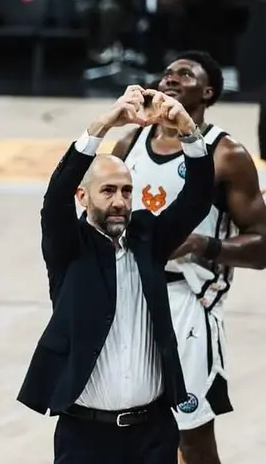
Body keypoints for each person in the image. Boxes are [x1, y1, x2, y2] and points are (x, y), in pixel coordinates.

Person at [17, 85, 216, 464]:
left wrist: (189, 132)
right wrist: (103, 125)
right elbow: (55, 196)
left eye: (127, 191)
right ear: (83, 196)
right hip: (84, 436)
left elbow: (197, 198)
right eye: (108, 191)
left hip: (153, 432)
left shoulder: (149, 237)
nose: (120, 202)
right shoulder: (68, 246)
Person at [110, 51, 266, 464]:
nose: (171, 78)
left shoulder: (226, 153)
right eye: (167, 73)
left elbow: (262, 245)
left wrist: (201, 245)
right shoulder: (130, 143)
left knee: (191, 439)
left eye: (185, 74)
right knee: (125, 429)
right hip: (129, 294)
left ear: (207, 92)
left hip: (188, 302)